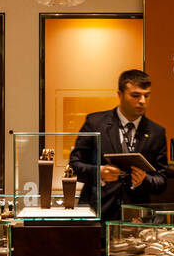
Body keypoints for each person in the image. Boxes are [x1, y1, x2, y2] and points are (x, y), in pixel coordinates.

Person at [69, 69, 168, 228]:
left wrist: (145, 180)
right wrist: (99, 173)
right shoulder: (95, 123)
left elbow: (161, 181)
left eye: (146, 95)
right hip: (97, 215)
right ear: (120, 94)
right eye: (135, 95)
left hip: (138, 220)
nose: (142, 101)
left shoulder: (156, 132)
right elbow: (74, 165)